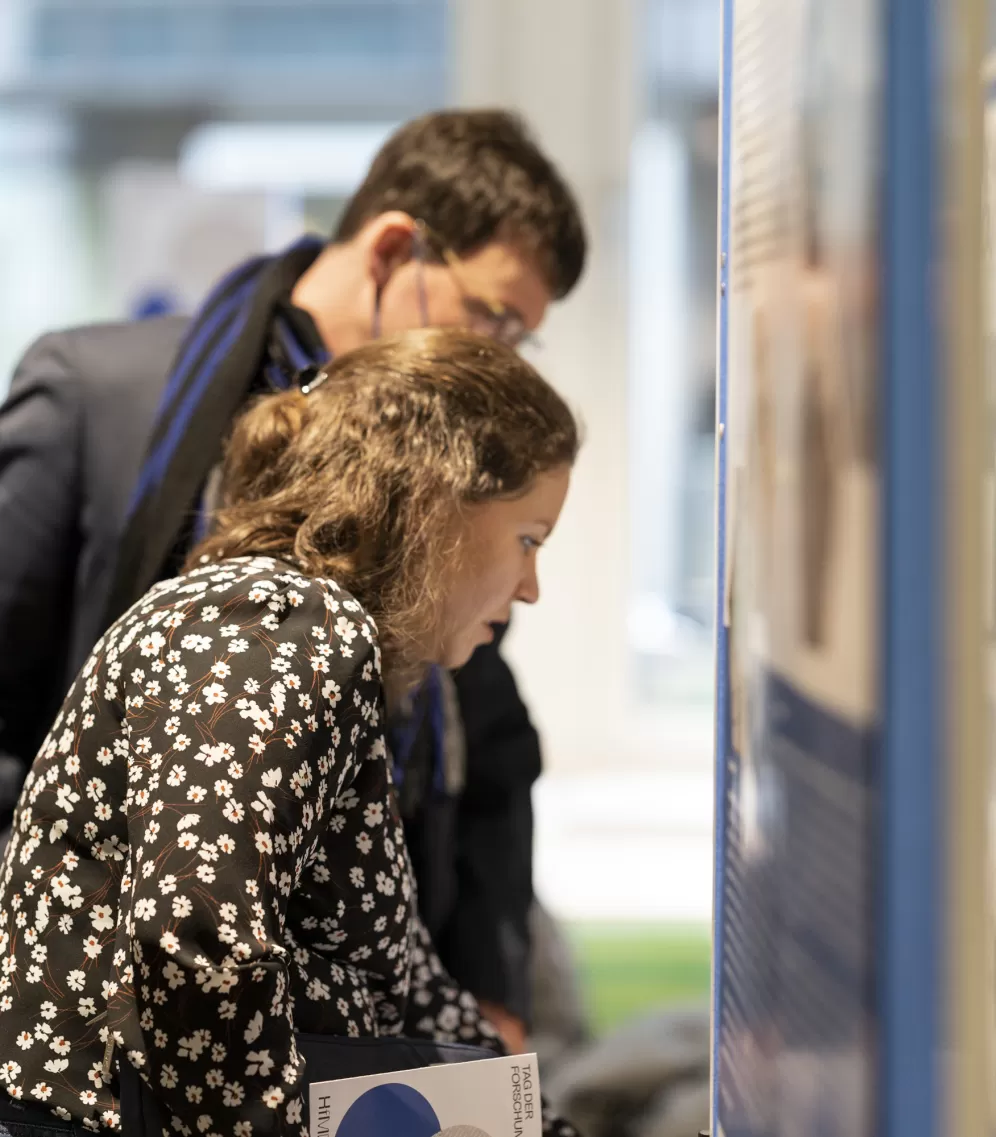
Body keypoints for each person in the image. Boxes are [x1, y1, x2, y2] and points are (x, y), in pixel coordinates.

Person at [0, 109, 587, 1051]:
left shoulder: (449, 478)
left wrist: (484, 996)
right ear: (394, 250)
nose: (501, 352)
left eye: (522, 336)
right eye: (494, 315)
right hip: (129, 1021)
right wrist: (53, 935)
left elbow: (487, 738)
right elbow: (196, 948)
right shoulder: (95, 395)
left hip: (357, 998)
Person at [0, 328, 580, 1137]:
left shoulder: (299, 631)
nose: (530, 586)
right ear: (438, 501)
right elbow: (195, 937)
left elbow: (410, 986)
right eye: (528, 539)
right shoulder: (276, 622)